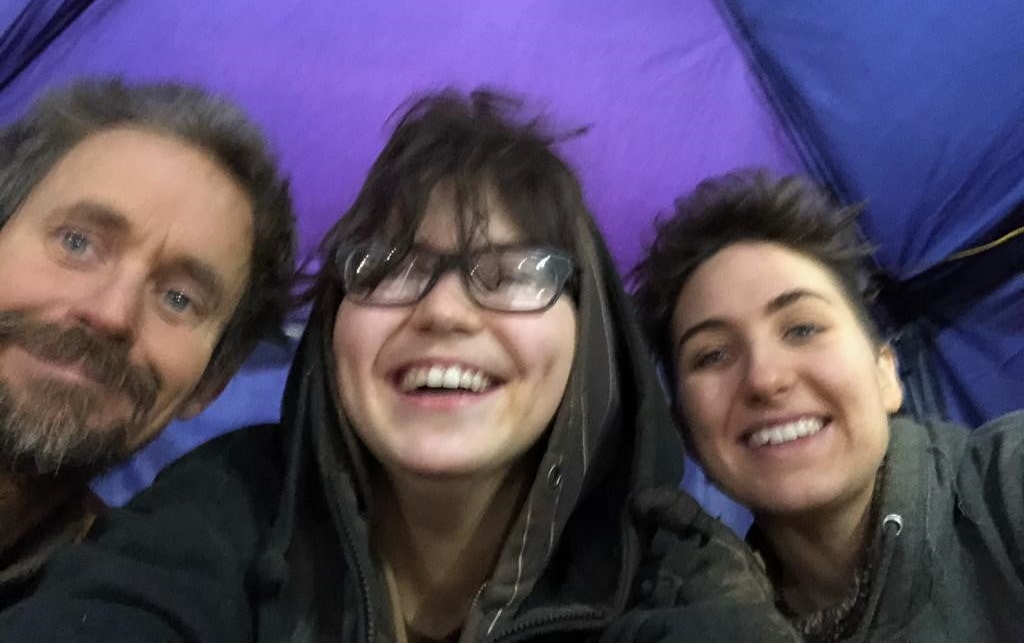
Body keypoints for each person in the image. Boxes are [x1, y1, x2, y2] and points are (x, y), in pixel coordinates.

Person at [0, 91, 800, 642]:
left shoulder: (674, 570)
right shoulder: (230, 503)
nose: (445, 311)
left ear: (590, 342)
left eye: (515, 271)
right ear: (330, 330)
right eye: (388, 267)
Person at [631, 170, 1024, 642]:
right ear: (688, 436)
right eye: (713, 355)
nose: (765, 379)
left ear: (885, 374)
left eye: (802, 329)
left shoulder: (1007, 485)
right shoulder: (697, 623)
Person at [0, 79, 296, 606]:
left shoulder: (115, 595)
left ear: (209, 384)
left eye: (179, 299)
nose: (111, 313)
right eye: (77, 242)